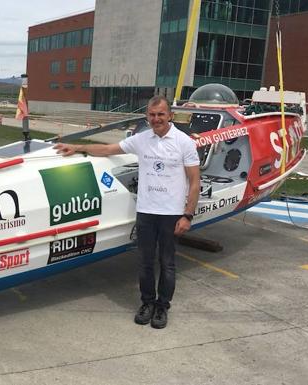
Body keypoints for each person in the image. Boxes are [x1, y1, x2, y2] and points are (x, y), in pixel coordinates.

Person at [54, 95, 200, 329]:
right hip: (146, 211)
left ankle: (162, 307)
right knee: (144, 263)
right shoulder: (141, 140)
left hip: (172, 214)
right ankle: (147, 303)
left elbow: (194, 181)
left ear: (170, 115)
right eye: (152, 115)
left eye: (161, 114)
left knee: (167, 263)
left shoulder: (184, 143)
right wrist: (78, 147)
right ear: (147, 116)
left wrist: (187, 215)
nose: (156, 119)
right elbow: (108, 149)